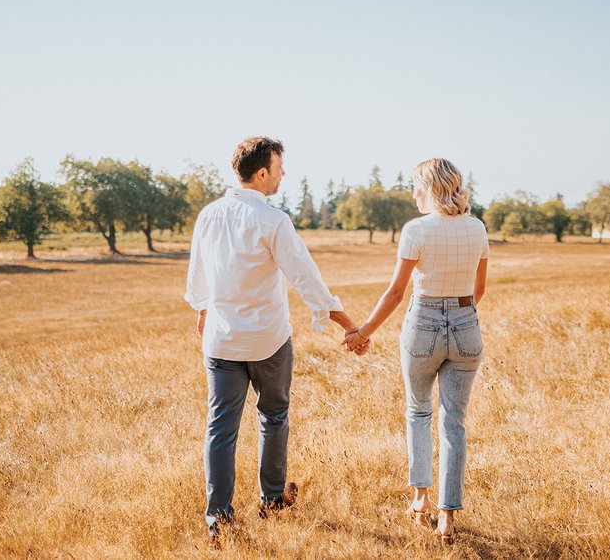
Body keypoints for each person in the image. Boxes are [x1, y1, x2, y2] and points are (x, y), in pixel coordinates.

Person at [185, 136, 367, 548]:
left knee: (220, 429)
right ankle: (271, 500)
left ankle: (218, 521)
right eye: (280, 168)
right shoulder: (273, 221)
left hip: (221, 343)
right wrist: (347, 323)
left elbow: (198, 278)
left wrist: (203, 314)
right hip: (268, 341)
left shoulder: (208, 216)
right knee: (273, 417)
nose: (284, 175)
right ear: (262, 172)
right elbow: (307, 279)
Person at [345, 157, 488, 544]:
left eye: (416, 187)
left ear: (430, 188)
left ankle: (420, 499)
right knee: (454, 422)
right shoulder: (477, 228)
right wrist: (458, 314)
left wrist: (363, 333)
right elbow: (479, 290)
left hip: (422, 325)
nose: (413, 194)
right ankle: (447, 518)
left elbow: (396, 292)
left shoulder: (416, 230)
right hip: (465, 324)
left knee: (418, 412)